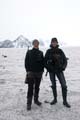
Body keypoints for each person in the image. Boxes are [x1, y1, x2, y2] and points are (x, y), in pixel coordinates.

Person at [44, 38, 71, 108]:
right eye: (53, 42)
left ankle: (65, 101)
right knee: (53, 85)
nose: (54, 43)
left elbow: (65, 60)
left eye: (55, 42)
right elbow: (44, 61)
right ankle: (55, 99)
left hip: (59, 70)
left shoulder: (60, 51)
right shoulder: (48, 51)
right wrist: (48, 68)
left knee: (64, 86)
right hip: (51, 71)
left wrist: (63, 67)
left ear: (57, 43)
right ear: (51, 43)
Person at [25, 39, 44, 110]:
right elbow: (26, 62)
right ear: (33, 44)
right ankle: (28, 103)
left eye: (37, 43)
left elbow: (43, 62)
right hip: (31, 73)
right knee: (30, 88)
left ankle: (36, 100)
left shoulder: (41, 52)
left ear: (38, 44)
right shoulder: (29, 52)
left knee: (37, 87)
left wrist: (42, 70)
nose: (36, 44)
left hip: (39, 73)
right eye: (35, 43)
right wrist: (27, 71)